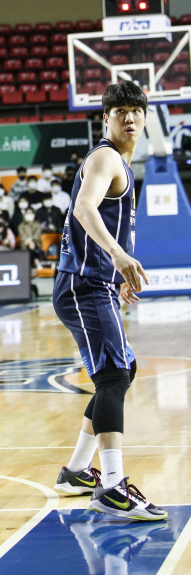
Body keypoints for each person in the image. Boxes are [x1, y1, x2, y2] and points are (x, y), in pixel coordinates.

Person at [52, 82, 166, 522]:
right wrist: (117, 257)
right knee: (114, 374)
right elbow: (83, 207)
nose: (131, 118)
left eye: (137, 110)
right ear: (106, 118)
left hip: (90, 283)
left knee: (120, 371)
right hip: (82, 285)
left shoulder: (118, 161)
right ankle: (113, 487)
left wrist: (111, 269)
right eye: (121, 111)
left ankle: (77, 471)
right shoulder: (105, 157)